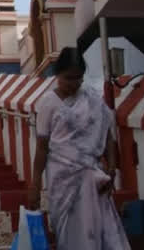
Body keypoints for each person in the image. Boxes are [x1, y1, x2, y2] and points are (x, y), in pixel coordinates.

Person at [30, 47, 130, 249]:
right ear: (57, 74)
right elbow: (42, 147)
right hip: (62, 180)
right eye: (68, 78)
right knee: (70, 234)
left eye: (78, 78)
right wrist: (34, 185)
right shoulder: (48, 103)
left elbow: (107, 135)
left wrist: (111, 169)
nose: (74, 84)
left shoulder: (92, 99)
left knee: (101, 232)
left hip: (92, 177)